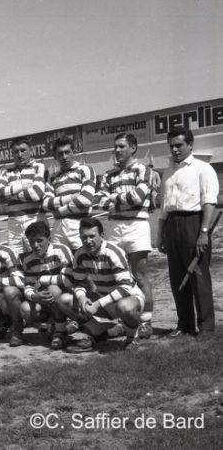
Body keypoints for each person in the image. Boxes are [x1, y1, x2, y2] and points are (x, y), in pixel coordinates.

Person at [156, 126, 219, 339]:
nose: (174, 150)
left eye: (179, 145)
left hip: (194, 223)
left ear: (190, 145)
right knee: (177, 278)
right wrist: (160, 234)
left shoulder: (203, 168)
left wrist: (204, 232)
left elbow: (209, 202)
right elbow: (164, 207)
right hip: (172, 225)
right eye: (171, 146)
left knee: (198, 276)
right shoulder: (168, 172)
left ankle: (206, 327)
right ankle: (185, 324)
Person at [94, 133, 154, 339]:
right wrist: (121, 200)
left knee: (140, 275)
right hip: (114, 227)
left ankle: (146, 321)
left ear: (133, 148)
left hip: (136, 225)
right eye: (116, 147)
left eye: (121, 146)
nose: (117, 150)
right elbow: (99, 202)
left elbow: (138, 197)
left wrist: (114, 200)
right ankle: (123, 322)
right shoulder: (108, 175)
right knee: (118, 276)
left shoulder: (143, 169)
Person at [58, 217, 145, 353]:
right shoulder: (79, 255)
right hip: (103, 297)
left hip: (128, 297)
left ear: (102, 235)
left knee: (126, 307)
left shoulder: (113, 252)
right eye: (84, 237)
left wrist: (97, 304)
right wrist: (82, 298)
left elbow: (126, 288)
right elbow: (79, 283)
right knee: (64, 300)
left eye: (92, 236)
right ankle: (98, 332)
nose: (88, 241)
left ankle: (132, 336)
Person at [19, 221, 74, 349]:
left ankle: (60, 331)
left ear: (49, 239)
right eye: (31, 242)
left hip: (67, 296)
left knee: (53, 290)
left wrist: (43, 279)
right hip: (46, 298)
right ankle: (55, 324)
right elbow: (28, 286)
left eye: (39, 241)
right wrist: (35, 296)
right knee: (25, 309)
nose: (35, 245)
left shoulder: (61, 250)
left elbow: (68, 280)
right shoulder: (28, 260)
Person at [0, 137, 46, 255]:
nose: (19, 154)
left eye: (23, 150)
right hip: (13, 224)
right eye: (16, 152)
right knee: (15, 258)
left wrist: (9, 194)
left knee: (37, 257)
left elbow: (36, 194)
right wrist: (22, 187)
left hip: (34, 219)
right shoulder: (7, 171)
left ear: (31, 150)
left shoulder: (38, 167)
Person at [43, 134, 96, 251]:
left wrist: (59, 211)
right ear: (55, 156)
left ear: (73, 152)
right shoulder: (52, 177)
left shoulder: (85, 170)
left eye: (67, 152)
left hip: (79, 224)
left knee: (83, 258)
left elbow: (85, 200)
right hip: (58, 227)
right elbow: (46, 204)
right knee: (60, 260)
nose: (64, 157)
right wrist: (73, 197)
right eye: (60, 153)